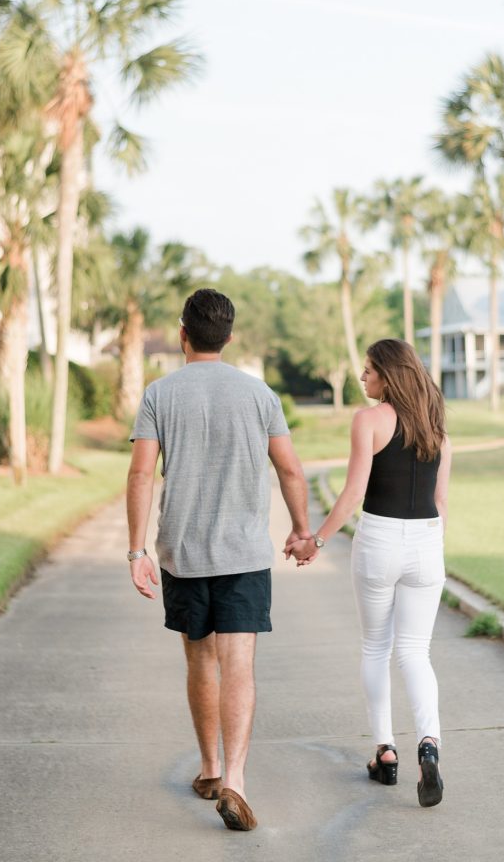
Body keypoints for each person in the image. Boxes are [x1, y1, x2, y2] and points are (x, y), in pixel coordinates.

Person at [126, 288, 312, 832]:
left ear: (183, 334)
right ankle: (235, 781)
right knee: (240, 664)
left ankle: (208, 768)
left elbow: (140, 475)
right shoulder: (259, 395)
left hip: (182, 555)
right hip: (244, 555)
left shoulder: (159, 394)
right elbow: (291, 470)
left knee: (199, 659)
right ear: (228, 337)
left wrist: (136, 550)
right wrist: (302, 531)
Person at [286, 338, 451, 807]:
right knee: (416, 652)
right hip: (427, 545)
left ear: (389, 375)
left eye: (368, 371)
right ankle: (429, 743)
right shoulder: (438, 431)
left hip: (379, 541)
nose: (363, 379)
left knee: (377, 647)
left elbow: (354, 491)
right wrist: (430, 551)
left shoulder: (369, 421)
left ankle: (386, 751)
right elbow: (441, 504)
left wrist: (314, 541)